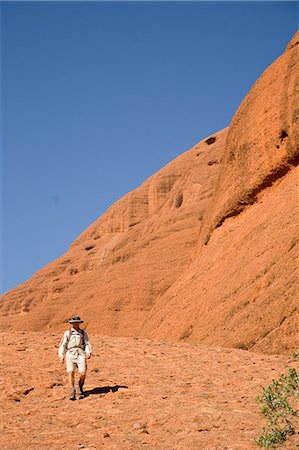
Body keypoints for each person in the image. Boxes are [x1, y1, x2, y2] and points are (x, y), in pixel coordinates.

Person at [58, 315, 92, 400]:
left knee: (82, 372)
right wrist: (61, 355)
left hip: (80, 353)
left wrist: (88, 352)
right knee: (71, 372)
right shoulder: (68, 333)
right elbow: (63, 344)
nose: (75, 324)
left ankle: (80, 386)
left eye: (76, 323)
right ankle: (72, 391)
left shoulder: (83, 333)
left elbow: (87, 343)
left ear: (79, 323)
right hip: (70, 353)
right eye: (73, 323)